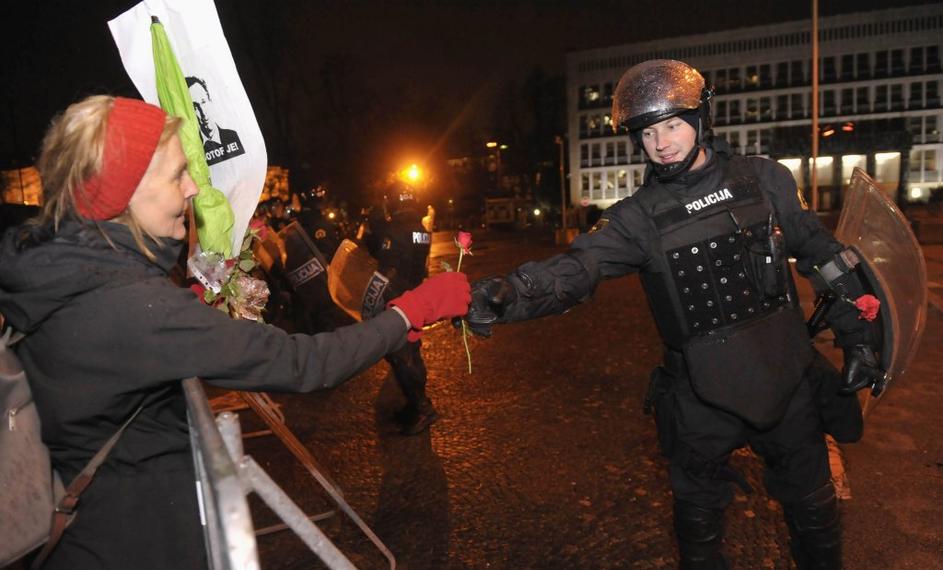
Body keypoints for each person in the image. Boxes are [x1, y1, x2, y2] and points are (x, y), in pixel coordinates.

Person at [0, 95, 470, 569]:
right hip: (140, 546)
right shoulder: (129, 305)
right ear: (121, 192)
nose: (190, 189)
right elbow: (303, 363)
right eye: (176, 174)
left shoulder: (68, 272)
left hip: (105, 531)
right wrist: (409, 312)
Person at [464, 60, 881, 569]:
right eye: (647, 132)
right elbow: (577, 270)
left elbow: (823, 253)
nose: (661, 143)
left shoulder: (765, 180)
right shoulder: (636, 218)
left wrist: (859, 335)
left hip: (786, 376)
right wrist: (509, 293)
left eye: (673, 125)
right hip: (700, 395)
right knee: (697, 531)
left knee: (815, 513)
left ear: (702, 120)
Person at [363, 182, 438, 435]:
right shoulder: (420, 229)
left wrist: (375, 216)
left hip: (398, 301)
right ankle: (415, 403)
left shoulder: (395, 231)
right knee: (412, 352)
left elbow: (379, 252)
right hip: (413, 295)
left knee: (402, 355)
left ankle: (422, 408)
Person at [185, 75, 246, 166]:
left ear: (210, 100)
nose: (203, 113)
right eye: (195, 107)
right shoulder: (191, 150)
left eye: (203, 102)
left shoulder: (233, 136)